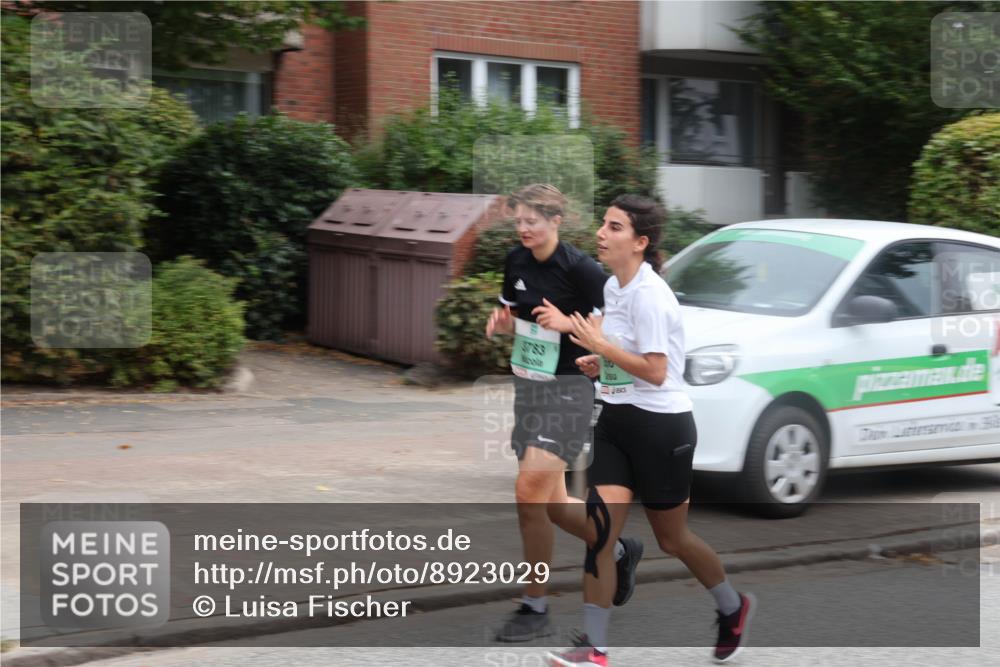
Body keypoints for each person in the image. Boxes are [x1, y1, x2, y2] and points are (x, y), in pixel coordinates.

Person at [546, 195, 757, 666]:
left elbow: (658, 371)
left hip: (663, 429)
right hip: (617, 421)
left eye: (615, 227)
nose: (602, 232)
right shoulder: (615, 289)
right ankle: (595, 649)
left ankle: (732, 606)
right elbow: (628, 358)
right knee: (602, 534)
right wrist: (599, 363)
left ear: (640, 243)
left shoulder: (651, 295)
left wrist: (602, 345)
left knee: (673, 539)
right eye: (604, 223)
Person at [485, 184, 643, 642]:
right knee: (549, 504)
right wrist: (505, 323)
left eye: (532, 220)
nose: (523, 228)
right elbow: (516, 313)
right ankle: (614, 551)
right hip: (530, 387)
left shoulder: (583, 270)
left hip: (572, 389)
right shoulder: (516, 260)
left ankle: (535, 607)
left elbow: (613, 331)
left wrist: (566, 323)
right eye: (518, 220)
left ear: (556, 220)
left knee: (527, 488)